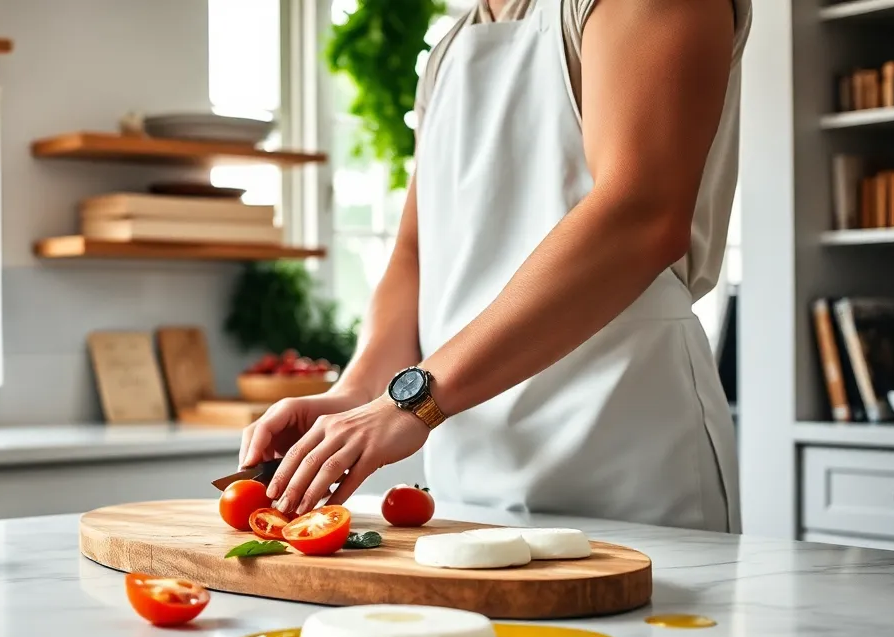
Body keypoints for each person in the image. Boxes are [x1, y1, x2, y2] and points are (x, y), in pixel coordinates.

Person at [239, 0, 751, 531]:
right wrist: (358, 389)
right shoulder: (449, 49)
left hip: (623, 451)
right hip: (467, 473)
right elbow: (417, 254)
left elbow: (640, 215)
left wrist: (417, 400)